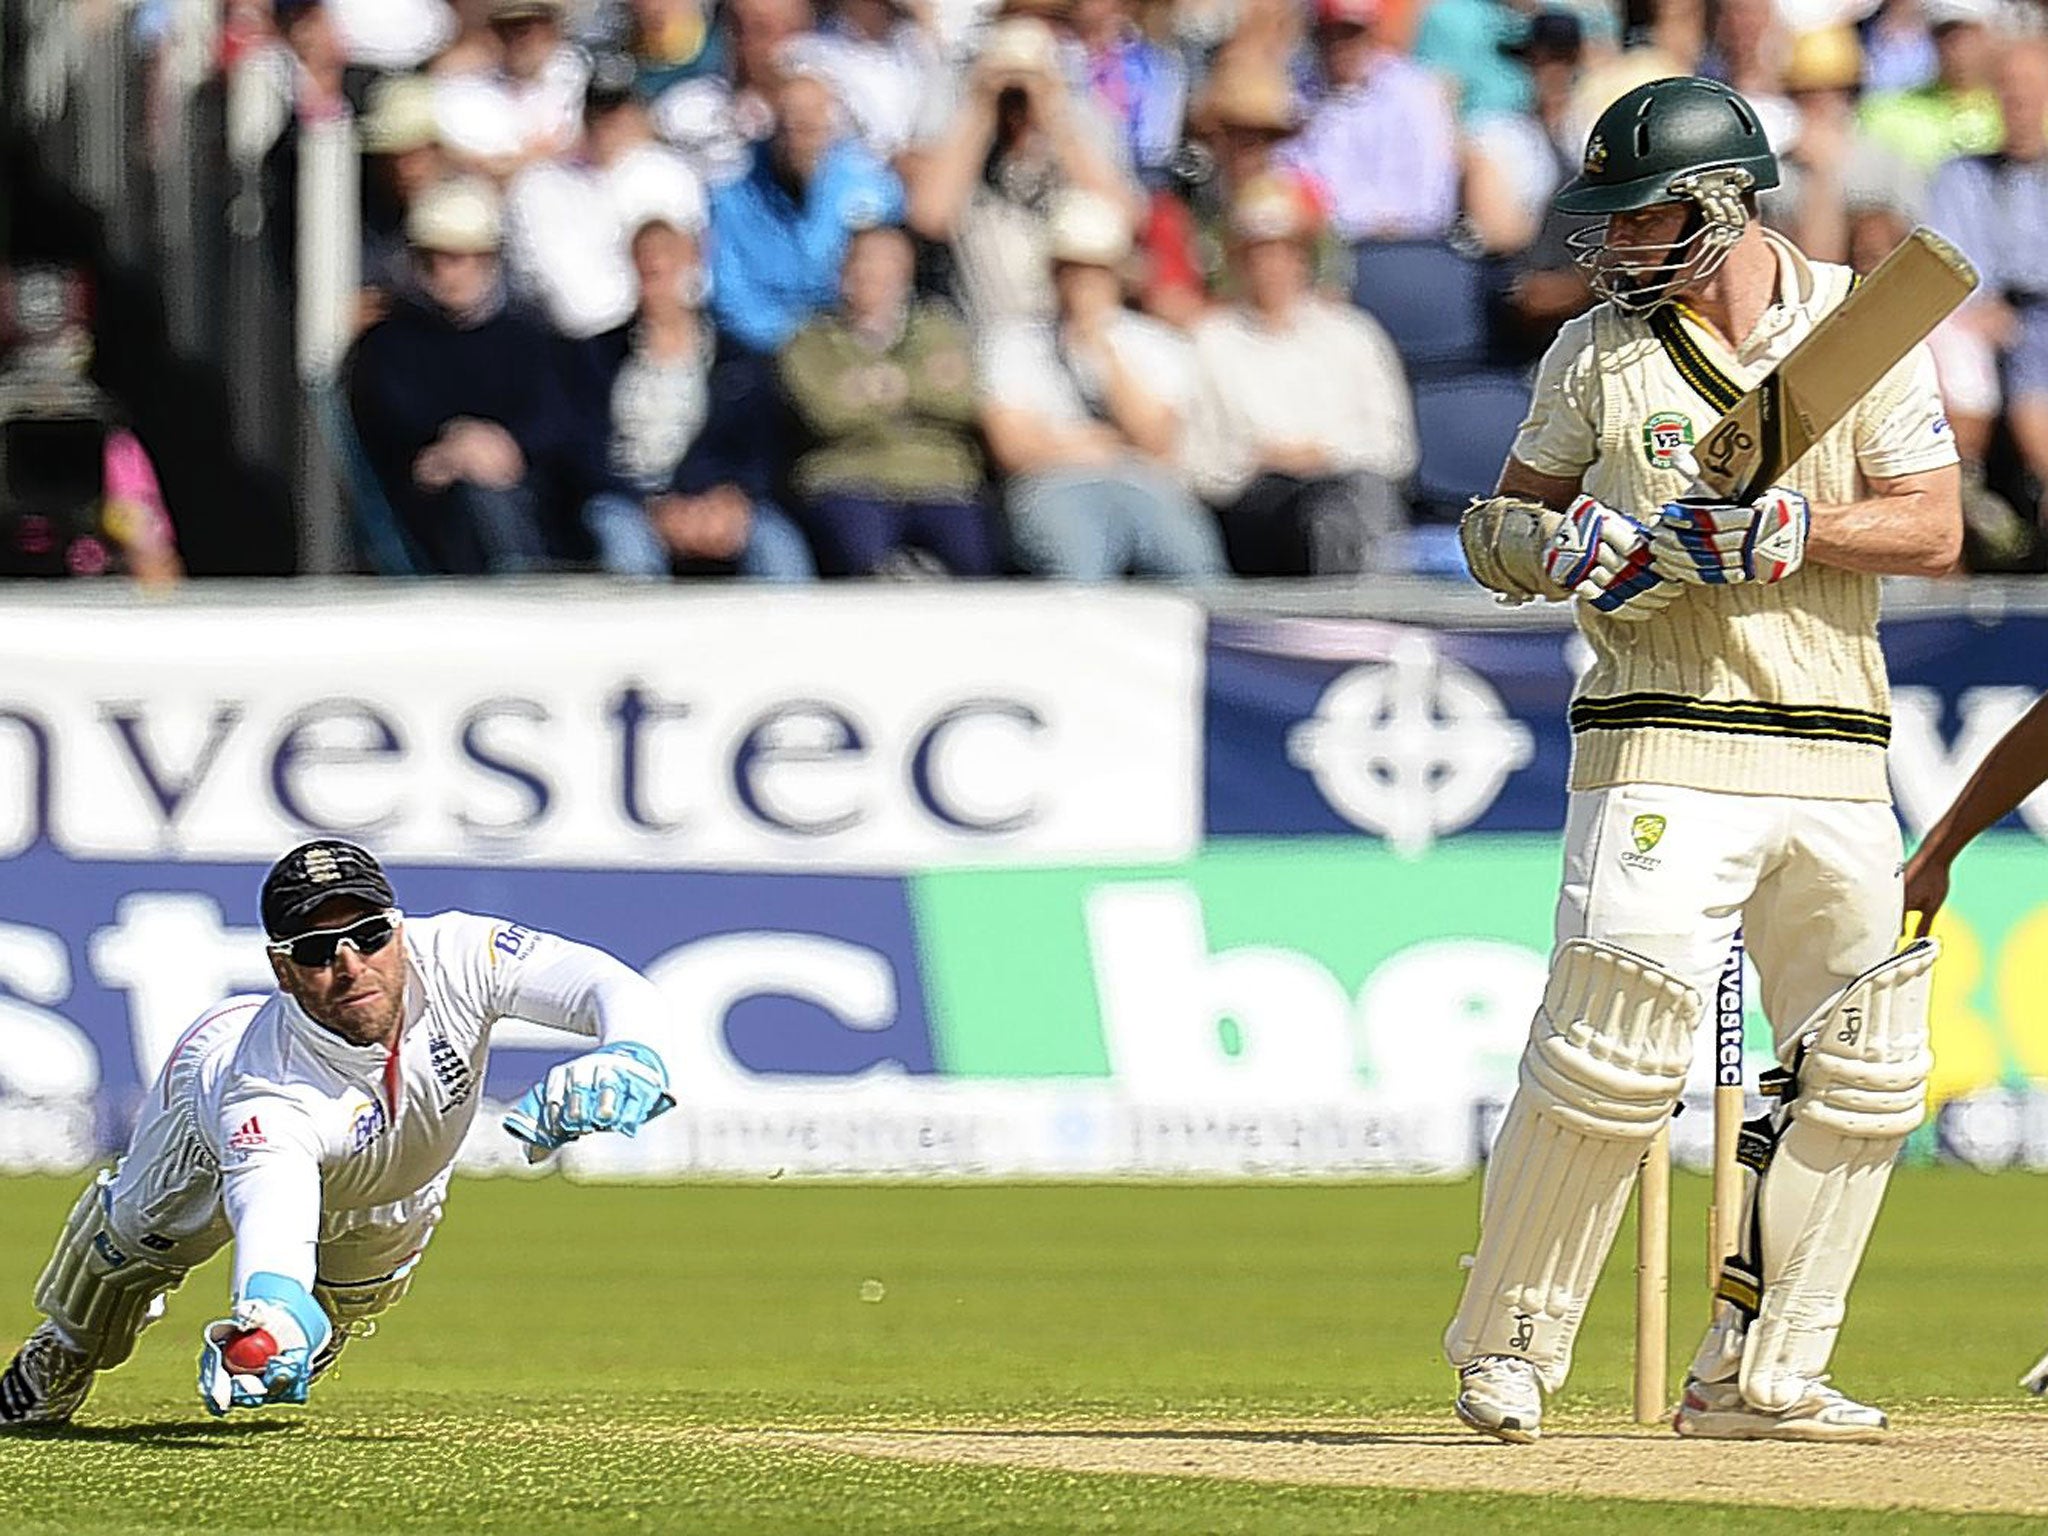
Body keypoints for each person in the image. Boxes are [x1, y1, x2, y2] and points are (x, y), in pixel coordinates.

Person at [1448, 76, 1961, 1445]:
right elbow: (1501, 524)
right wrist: (1548, 549)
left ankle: (1759, 1373)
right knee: (1610, 1050)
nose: (1614, 247)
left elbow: (1931, 528)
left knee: (1864, 1068)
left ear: (1725, 203)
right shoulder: (1596, 358)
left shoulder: (1864, 323)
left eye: (1643, 218)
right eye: (1605, 223)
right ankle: (1508, 1348)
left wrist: (1797, 531)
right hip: (1656, 739)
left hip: (1837, 746)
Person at [0, 839, 679, 1427]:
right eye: (318, 949)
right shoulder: (267, 1096)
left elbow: (607, 985)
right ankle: (66, 1351)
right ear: (283, 970)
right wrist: (271, 1315)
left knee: (358, 1296)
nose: (352, 965)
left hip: (397, 1174)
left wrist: (629, 1054)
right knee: (122, 1263)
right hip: (201, 1124)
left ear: (399, 930)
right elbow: (274, 1229)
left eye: (371, 935)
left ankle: (332, 1317)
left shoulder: (463, 955)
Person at [977, 188, 1226, 579]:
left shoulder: (1157, 343)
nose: (1082, 284)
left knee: (1194, 567)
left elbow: (1156, 441)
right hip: (1051, 487)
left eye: (1095, 272)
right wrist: (1094, 446)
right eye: (1071, 270)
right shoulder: (1013, 342)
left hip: (1144, 485)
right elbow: (1013, 449)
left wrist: (1101, 350)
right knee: (1079, 564)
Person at [348, 178, 588, 573]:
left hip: (525, 490)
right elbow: (389, 417)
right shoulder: (389, 342)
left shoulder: (530, 338)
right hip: (426, 494)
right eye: (432, 259)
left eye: (458, 258)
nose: (445, 273)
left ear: (489, 259)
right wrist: (455, 444)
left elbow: (556, 421)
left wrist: (508, 446)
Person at [1185, 172, 1416, 575]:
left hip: (1346, 487)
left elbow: (1393, 447)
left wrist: (1324, 454)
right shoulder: (1212, 341)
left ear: (1304, 257)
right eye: (1258, 253)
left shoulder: (1353, 334)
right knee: (1326, 511)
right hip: (1257, 504)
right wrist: (1260, 459)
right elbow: (1199, 464)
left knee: (1350, 502)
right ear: (1238, 260)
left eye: (1284, 252)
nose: (1272, 266)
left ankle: (1367, 614)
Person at [779, 223, 995, 576]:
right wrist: (922, 385)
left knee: (975, 558)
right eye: (861, 261)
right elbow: (826, 413)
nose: (871, 274)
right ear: (842, 270)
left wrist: (873, 386)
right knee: (859, 552)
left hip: (940, 482)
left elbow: (963, 401)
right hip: (848, 480)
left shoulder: (940, 330)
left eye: (886, 262)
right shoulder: (810, 340)